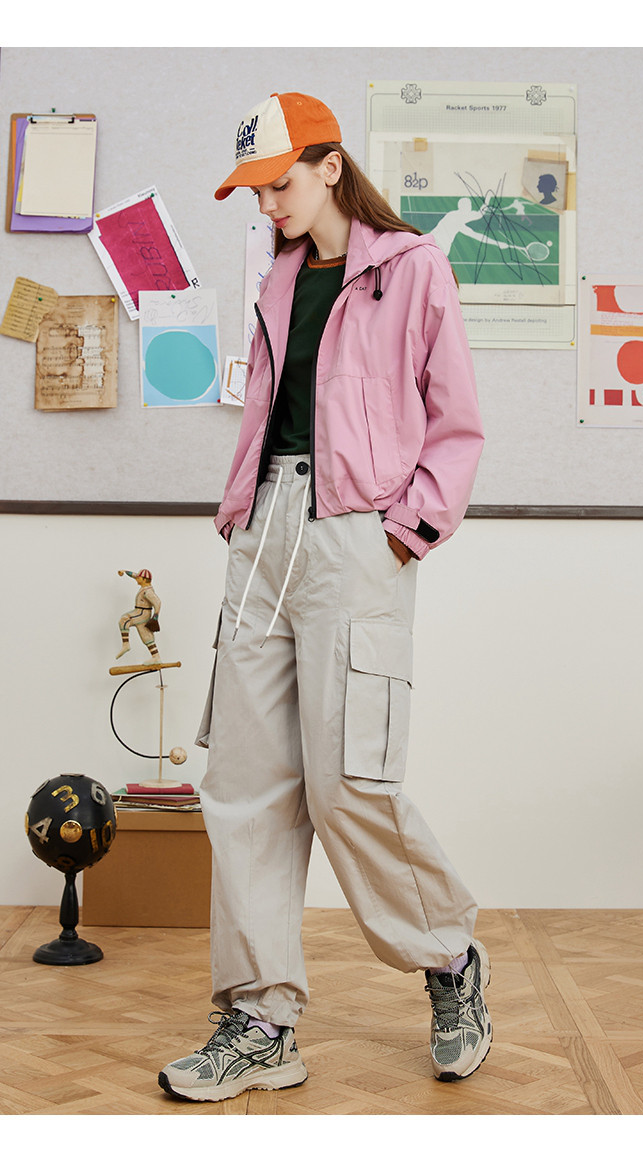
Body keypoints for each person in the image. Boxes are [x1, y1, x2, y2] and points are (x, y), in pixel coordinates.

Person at [159, 92, 489, 1103]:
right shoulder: (278, 277)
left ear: (331, 165)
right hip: (265, 531)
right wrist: (240, 510)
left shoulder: (413, 269)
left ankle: (448, 956)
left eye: (280, 183)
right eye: (255, 192)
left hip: (356, 535)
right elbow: (271, 412)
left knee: (349, 783)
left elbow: (456, 422)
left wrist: (407, 530)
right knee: (245, 786)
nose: (268, 205)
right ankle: (262, 1020)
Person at [115, 569, 161, 662]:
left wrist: (156, 616)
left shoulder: (148, 592)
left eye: (139, 578)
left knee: (124, 620)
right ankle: (156, 657)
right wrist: (124, 572)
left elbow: (158, 602)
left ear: (144, 579)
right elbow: (134, 575)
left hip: (141, 613)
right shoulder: (144, 585)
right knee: (147, 637)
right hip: (142, 613)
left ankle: (126, 645)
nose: (137, 579)